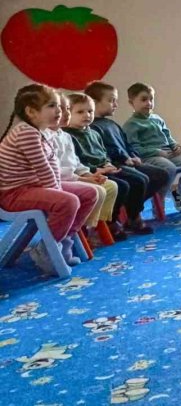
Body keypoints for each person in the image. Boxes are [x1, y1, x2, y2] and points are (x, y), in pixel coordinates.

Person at [0, 84, 97, 273]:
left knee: (89, 193)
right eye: (52, 106)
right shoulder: (25, 132)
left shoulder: (39, 132)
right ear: (31, 111)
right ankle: (47, 250)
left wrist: (61, 187)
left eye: (59, 107)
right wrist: (59, 192)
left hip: (33, 188)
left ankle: (61, 243)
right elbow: (43, 168)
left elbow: (51, 166)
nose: (59, 111)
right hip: (14, 194)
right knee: (68, 201)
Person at [65, 93, 154, 235]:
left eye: (90, 111)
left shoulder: (93, 133)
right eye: (80, 112)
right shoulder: (68, 136)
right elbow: (76, 161)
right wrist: (97, 169)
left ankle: (133, 217)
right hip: (90, 172)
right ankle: (111, 221)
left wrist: (107, 164)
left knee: (140, 180)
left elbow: (103, 153)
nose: (86, 115)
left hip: (106, 168)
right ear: (67, 114)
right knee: (122, 186)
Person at [84, 81, 171, 210]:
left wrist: (133, 156)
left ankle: (131, 206)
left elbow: (126, 144)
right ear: (94, 102)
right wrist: (125, 159)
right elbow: (106, 151)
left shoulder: (112, 124)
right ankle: (132, 212)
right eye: (111, 100)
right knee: (139, 180)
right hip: (116, 165)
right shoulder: (93, 128)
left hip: (128, 162)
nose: (115, 104)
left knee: (161, 174)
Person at [46, 93, 118, 246]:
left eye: (66, 109)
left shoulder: (65, 136)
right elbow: (56, 171)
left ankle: (91, 226)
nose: (64, 113)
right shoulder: (46, 137)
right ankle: (83, 229)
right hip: (60, 181)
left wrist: (88, 174)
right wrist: (85, 179)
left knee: (110, 186)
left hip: (74, 177)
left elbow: (76, 163)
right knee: (96, 191)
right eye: (62, 109)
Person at [123, 83, 181, 207]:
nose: (149, 103)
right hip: (150, 157)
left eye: (151, 99)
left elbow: (168, 136)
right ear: (131, 103)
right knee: (169, 168)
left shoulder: (157, 119)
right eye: (144, 99)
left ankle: (179, 193)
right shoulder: (131, 125)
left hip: (168, 153)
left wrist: (175, 146)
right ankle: (159, 201)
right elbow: (134, 149)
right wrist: (156, 152)